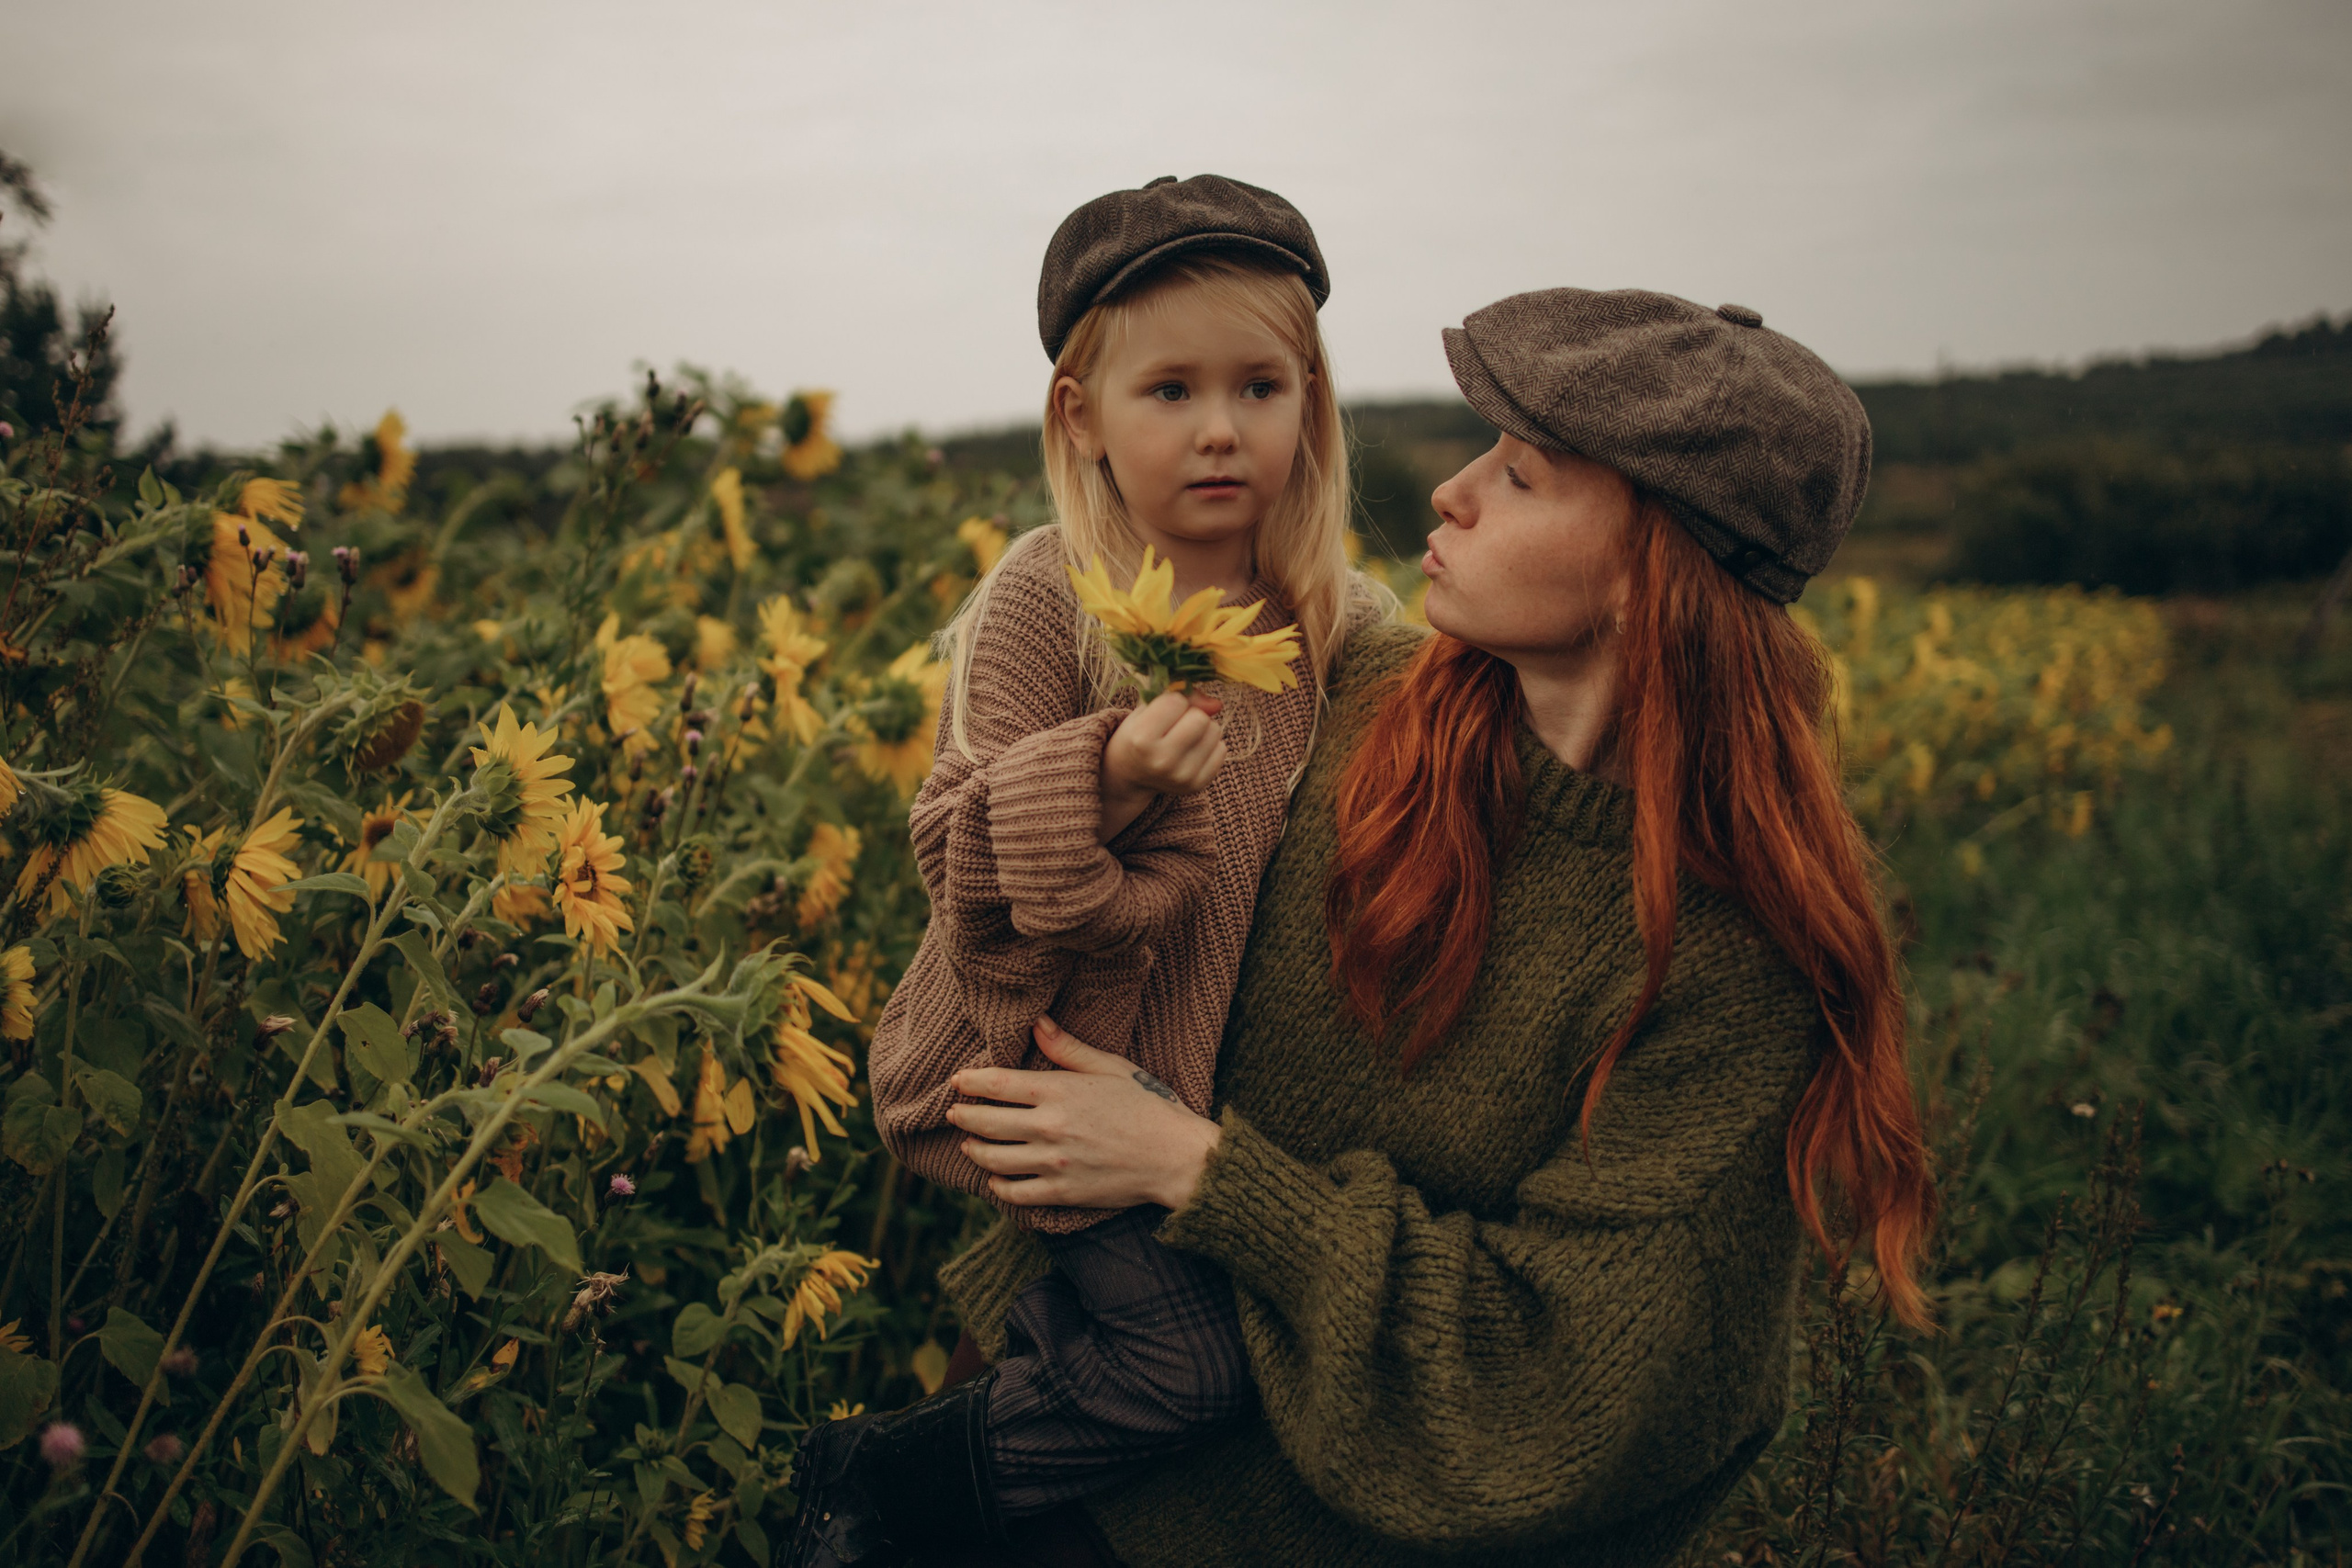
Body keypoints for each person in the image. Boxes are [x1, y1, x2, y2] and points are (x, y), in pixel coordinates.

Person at [924, 288, 1938, 1567]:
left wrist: (1197, 1169)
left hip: (1269, 1536)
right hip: (1030, 1401)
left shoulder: (1732, 962)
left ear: (1649, 573)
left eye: (1518, 476)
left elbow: (1571, 1381)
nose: (1451, 494)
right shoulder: (1350, 699)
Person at [786, 175, 1379, 1566]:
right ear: (1083, 416)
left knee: (1200, 1364)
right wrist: (1100, 783)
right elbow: (954, 852)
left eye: (1261, 388)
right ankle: (876, 1483)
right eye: (1168, 391)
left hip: (1168, 1107)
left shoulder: (1326, 626)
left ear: (1313, 403)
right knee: (1203, 1369)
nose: (1221, 429)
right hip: (1018, 1067)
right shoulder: (1049, 594)